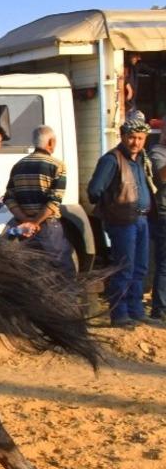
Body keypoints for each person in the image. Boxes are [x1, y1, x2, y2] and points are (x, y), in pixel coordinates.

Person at [87, 117, 159, 329]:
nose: (135, 142)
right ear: (123, 137)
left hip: (141, 219)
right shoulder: (112, 159)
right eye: (132, 137)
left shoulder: (140, 159)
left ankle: (136, 311)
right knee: (124, 268)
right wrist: (112, 208)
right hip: (122, 222)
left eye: (140, 138)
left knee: (140, 267)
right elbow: (94, 191)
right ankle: (120, 314)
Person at [2, 125, 76, 277]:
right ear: (50, 142)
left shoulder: (18, 166)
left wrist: (25, 221)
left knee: (32, 271)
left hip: (23, 228)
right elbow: (54, 200)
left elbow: (9, 197)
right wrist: (35, 222)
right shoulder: (57, 165)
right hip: (48, 226)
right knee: (63, 270)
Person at [147, 128, 166, 321]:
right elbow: (162, 178)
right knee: (164, 265)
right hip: (164, 215)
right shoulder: (156, 152)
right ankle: (159, 309)